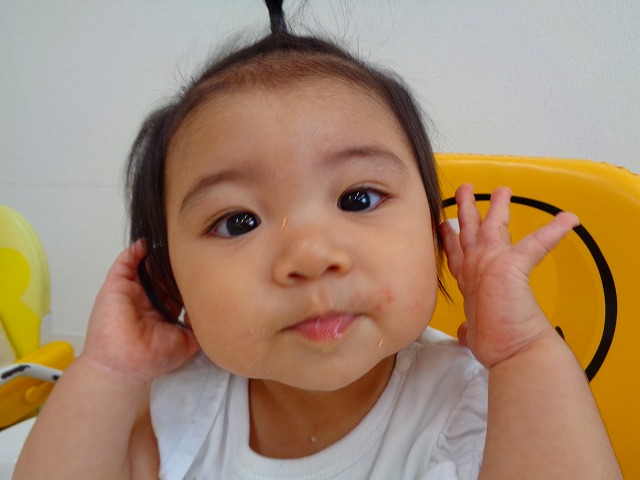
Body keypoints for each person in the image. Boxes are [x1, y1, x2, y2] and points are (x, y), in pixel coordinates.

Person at [14, 2, 621, 479]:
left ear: (438, 238)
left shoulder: (477, 407)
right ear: (169, 283)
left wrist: (523, 355)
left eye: (358, 199)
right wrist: (110, 369)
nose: (309, 257)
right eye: (238, 221)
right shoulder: (181, 409)